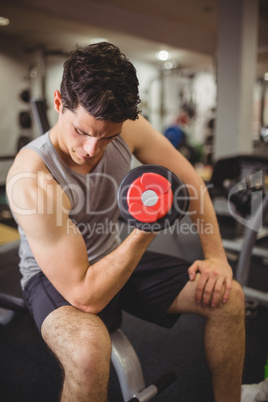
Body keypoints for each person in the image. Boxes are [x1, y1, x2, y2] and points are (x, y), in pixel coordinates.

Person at [6, 42, 245, 402]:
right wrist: (148, 227)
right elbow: (84, 295)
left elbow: (190, 179)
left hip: (110, 253)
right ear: (59, 102)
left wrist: (216, 256)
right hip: (54, 277)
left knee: (229, 298)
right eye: (82, 132)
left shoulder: (128, 129)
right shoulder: (32, 179)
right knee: (88, 351)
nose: (92, 149)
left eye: (108, 137)